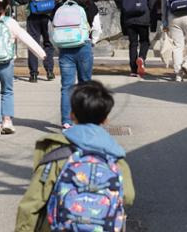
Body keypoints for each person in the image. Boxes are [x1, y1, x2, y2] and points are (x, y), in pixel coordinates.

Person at [15, 81, 135, 231]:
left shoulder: (57, 151)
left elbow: (34, 201)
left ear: (72, 115)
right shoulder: (115, 156)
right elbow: (128, 196)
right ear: (105, 119)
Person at [0, 0, 46, 137]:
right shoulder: (10, 22)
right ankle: (7, 121)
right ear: (7, 6)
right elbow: (26, 38)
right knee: (7, 91)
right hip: (6, 63)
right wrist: (41, 54)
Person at [49, 0, 101, 129]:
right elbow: (97, 28)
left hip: (65, 51)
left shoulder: (58, 7)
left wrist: (59, 45)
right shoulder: (89, 5)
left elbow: (51, 31)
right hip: (84, 47)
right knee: (85, 84)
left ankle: (66, 121)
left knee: (67, 86)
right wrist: (93, 41)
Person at [22, 0, 56, 83]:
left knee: (33, 44)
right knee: (48, 43)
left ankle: (34, 74)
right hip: (47, 16)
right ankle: (50, 71)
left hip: (33, 16)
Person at [120, 0, 156, 77]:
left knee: (133, 43)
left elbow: (123, 8)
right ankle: (141, 58)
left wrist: (123, 27)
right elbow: (152, 6)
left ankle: (133, 70)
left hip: (129, 20)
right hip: (143, 19)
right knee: (144, 42)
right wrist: (153, 23)